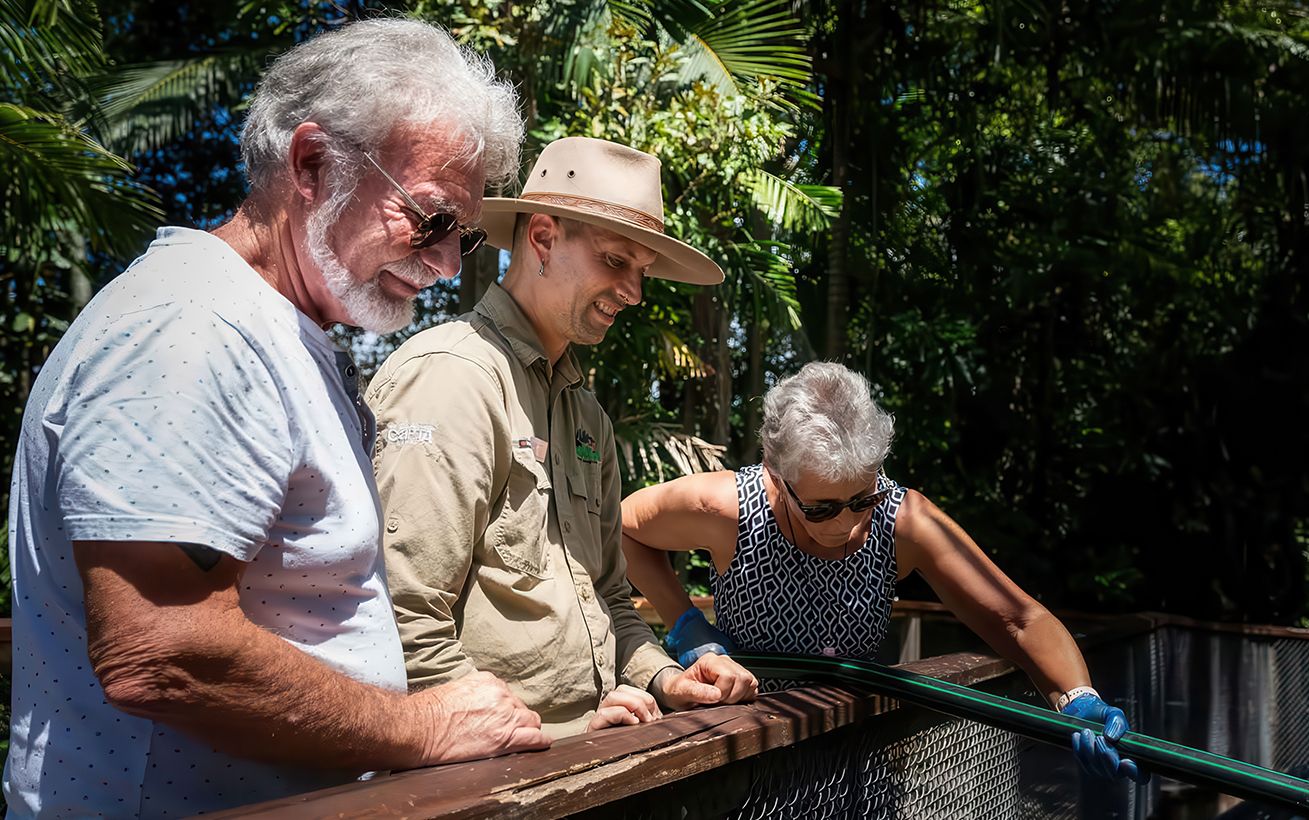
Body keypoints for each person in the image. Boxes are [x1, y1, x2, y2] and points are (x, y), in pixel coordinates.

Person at [3, 20, 551, 819]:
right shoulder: (192, 327)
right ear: (311, 163)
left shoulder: (273, 328)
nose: (442, 265)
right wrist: (415, 727)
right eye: (430, 220)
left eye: (460, 239)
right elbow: (159, 648)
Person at [367, 136, 759, 738]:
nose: (634, 292)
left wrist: (664, 676)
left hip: (581, 763)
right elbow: (404, 620)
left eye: (642, 271)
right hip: (483, 782)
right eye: (615, 261)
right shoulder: (453, 378)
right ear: (544, 238)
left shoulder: (586, 417)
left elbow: (607, 601)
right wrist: (553, 737)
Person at [622, 361, 1145, 782]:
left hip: (852, 757)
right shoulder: (727, 507)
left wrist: (1078, 697)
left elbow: (1019, 619)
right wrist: (685, 623)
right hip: (737, 756)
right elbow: (618, 529)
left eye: (861, 499)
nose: (848, 524)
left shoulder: (903, 521)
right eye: (823, 508)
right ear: (776, 475)